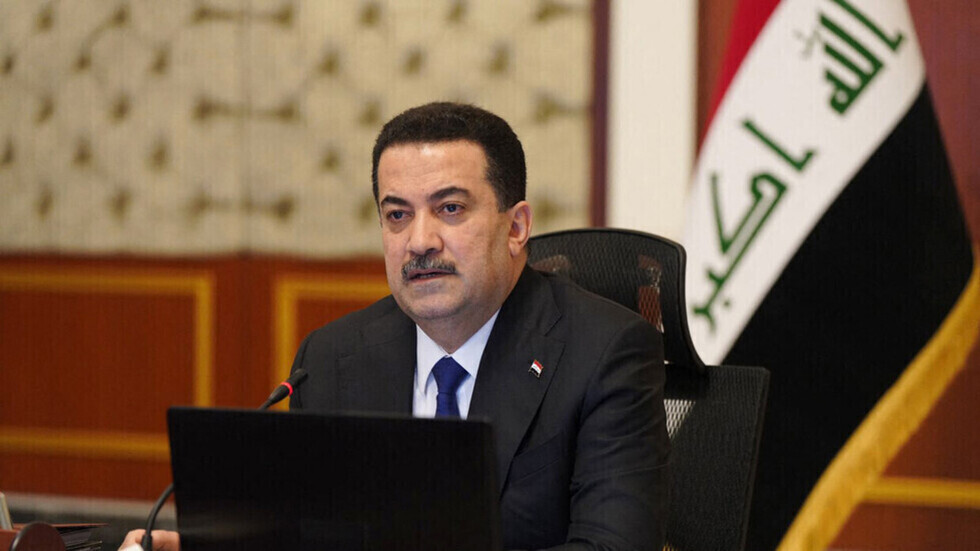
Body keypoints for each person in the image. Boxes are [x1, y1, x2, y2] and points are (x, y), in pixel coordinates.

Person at [122, 102, 668, 551]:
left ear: (516, 226)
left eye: (450, 209)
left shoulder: (605, 351)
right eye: (397, 215)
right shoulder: (331, 359)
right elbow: (307, 538)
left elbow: (612, 546)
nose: (419, 241)